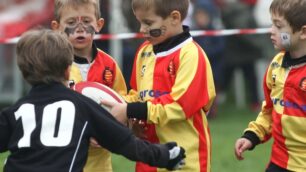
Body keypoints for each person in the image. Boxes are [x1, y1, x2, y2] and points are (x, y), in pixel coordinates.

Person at [0, 29, 186, 172]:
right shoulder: (82, 106)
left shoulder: (16, 111)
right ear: (67, 70)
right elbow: (124, 143)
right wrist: (165, 155)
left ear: (24, 73)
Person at [103, 0, 216, 171]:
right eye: (140, 22)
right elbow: (138, 94)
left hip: (185, 159)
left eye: (148, 23)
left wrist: (130, 110)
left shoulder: (191, 55)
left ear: (174, 18)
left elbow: (178, 106)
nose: (141, 29)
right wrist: (115, 106)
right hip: (148, 157)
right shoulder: (144, 51)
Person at [51, 0, 127, 172]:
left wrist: (109, 128)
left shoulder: (109, 65)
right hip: (62, 160)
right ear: (56, 27)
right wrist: (82, 131)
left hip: (99, 165)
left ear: (99, 24)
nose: (79, 29)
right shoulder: (52, 66)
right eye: (71, 23)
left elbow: (122, 101)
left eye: (86, 21)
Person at [234, 0, 306, 171]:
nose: (271, 31)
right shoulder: (275, 65)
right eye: (272, 24)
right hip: (279, 162)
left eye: (279, 26)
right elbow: (269, 109)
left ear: (303, 32)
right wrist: (252, 135)